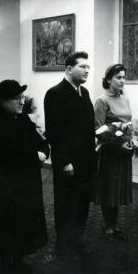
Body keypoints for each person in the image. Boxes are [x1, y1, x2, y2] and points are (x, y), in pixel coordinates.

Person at [0, 80, 49, 274]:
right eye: (16, 98)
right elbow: (7, 154)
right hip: (5, 183)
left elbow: (38, 140)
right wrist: (34, 155)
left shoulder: (22, 119)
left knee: (23, 221)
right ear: (2, 101)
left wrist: (43, 151)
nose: (21, 102)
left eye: (22, 97)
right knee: (7, 222)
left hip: (26, 181)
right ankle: (7, 264)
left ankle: (19, 259)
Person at [44, 51, 96, 256]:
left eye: (88, 67)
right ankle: (63, 244)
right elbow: (55, 132)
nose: (86, 70)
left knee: (82, 202)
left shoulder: (84, 93)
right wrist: (64, 161)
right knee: (66, 203)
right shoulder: (55, 92)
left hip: (86, 160)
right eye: (82, 66)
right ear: (68, 69)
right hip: (68, 162)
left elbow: (87, 126)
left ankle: (77, 241)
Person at [94, 64, 138, 243]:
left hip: (124, 153)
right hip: (110, 152)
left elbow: (128, 125)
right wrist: (119, 144)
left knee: (118, 191)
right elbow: (98, 130)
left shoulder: (124, 99)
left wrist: (133, 139)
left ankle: (115, 224)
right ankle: (107, 226)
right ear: (108, 80)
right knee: (109, 190)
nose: (122, 80)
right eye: (118, 77)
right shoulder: (102, 100)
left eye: (123, 77)